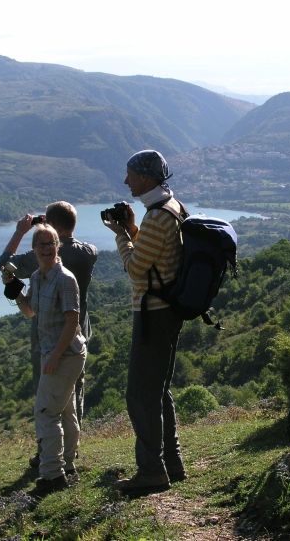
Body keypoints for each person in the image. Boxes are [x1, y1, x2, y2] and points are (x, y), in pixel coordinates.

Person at [103, 149, 187, 496]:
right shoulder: (171, 207)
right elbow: (155, 257)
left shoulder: (158, 216)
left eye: (131, 175)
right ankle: (172, 463)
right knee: (157, 390)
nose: (126, 181)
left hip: (153, 313)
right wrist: (134, 229)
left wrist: (121, 235)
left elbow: (137, 270)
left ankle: (152, 471)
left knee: (139, 394)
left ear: (146, 177)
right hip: (167, 311)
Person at [0, 201, 97, 467]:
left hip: (50, 339)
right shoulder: (88, 253)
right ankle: (70, 453)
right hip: (79, 337)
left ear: (53, 233)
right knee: (71, 398)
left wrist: (21, 231)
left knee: (47, 400)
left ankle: (49, 456)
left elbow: (5, 264)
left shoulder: (41, 260)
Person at [8, 224, 87, 495]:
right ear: (34, 249)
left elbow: (72, 321)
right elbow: (30, 312)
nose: (47, 248)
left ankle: (52, 475)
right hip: (52, 353)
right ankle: (68, 466)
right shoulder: (36, 277)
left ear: (58, 246)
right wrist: (14, 290)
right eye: (41, 244)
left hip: (66, 354)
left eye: (51, 243)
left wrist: (54, 357)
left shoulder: (65, 279)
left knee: (45, 412)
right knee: (65, 410)